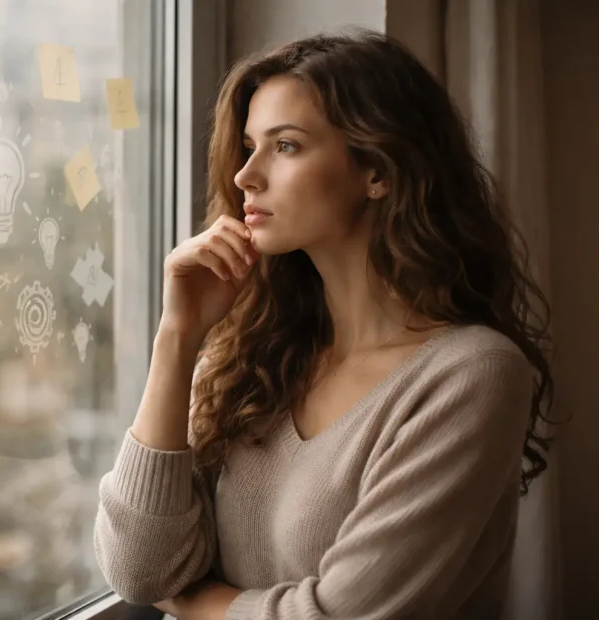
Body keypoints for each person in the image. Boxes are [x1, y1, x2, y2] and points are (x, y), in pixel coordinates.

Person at [93, 29, 555, 620]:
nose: (245, 177)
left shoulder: (472, 374)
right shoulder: (250, 354)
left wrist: (196, 602)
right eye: (248, 146)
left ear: (378, 171)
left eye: (285, 146)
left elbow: (338, 616)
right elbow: (138, 570)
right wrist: (177, 337)